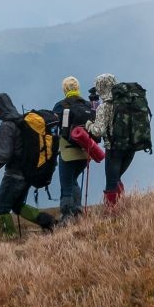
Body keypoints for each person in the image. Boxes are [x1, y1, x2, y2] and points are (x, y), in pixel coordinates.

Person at [0, 92, 57, 238]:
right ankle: (50, 222)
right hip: (28, 172)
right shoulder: (23, 122)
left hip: (14, 174)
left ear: (0, 109)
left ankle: (10, 239)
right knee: (17, 205)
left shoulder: (6, 127)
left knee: (1, 206)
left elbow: (3, 156)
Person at [53, 76, 96, 220]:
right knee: (73, 180)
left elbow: (54, 128)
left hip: (67, 151)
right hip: (85, 151)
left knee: (66, 186)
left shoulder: (60, 105)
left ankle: (66, 217)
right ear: (78, 88)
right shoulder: (88, 105)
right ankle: (77, 212)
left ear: (65, 89)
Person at [88, 72, 132, 207]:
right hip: (131, 147)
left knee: (111, 182)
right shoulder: (128, 101)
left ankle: (112, 211)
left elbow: (99, 130)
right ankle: (122, 205)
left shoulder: (104, 106)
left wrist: (89, 124)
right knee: (117, 178)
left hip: (113, 149)